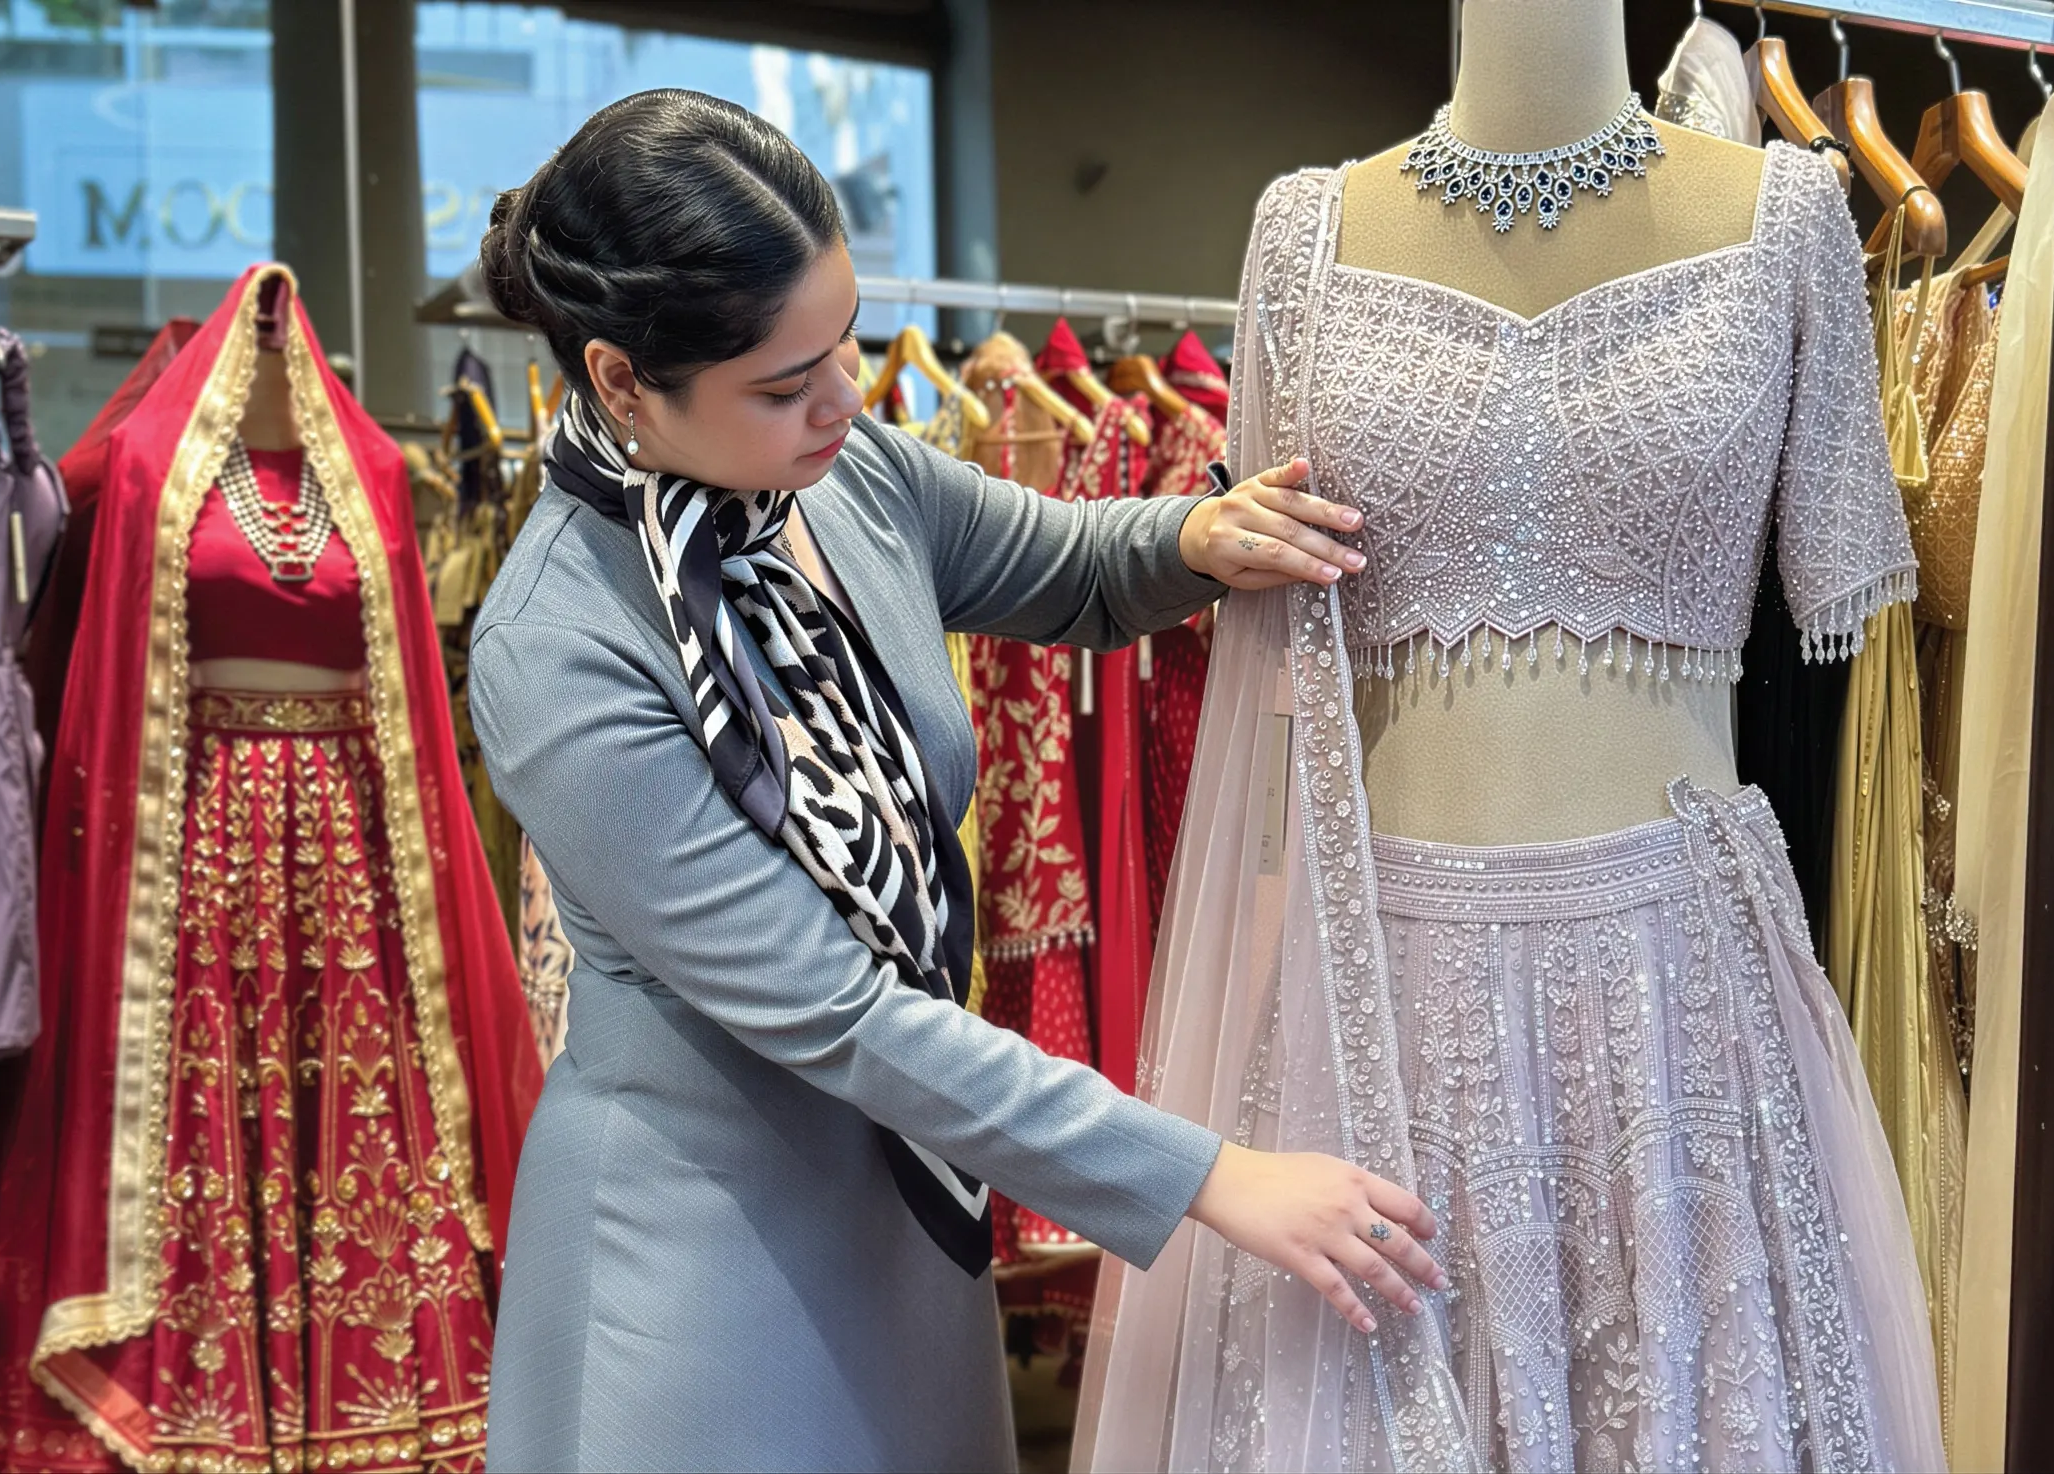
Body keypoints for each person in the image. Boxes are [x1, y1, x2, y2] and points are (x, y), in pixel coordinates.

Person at [466, 89, 1441, 1471]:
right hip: (699, 1265)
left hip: (909, 1216)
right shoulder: (558, 645)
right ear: (623, 382)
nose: (843, 399)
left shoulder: (839, 477)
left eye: (844, 344)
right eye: (783, 381)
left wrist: (1204, 534)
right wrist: (1210, 1175)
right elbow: (842, 1012)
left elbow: (1075, 568)